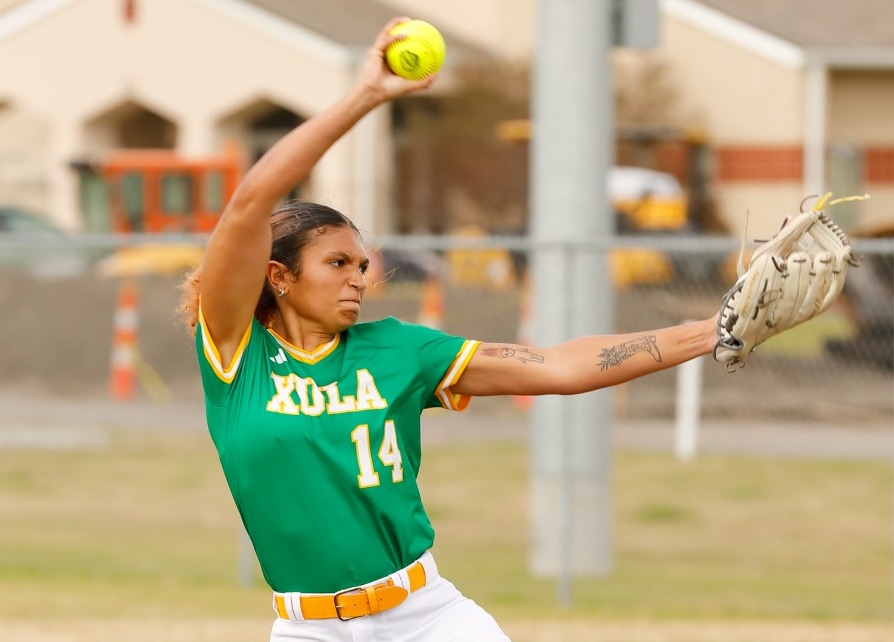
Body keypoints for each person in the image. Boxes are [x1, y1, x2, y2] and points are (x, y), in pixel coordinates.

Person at [180, 17, 718, 642]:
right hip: (308, 630)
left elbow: (562, 368)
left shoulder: (399, 350)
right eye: (336, 264)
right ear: (278, 275)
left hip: (426, 618)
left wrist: (709, 331)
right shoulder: (234, 354)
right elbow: (251, 202)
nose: (358, 278)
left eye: (362, 265)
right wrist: (368, 96)